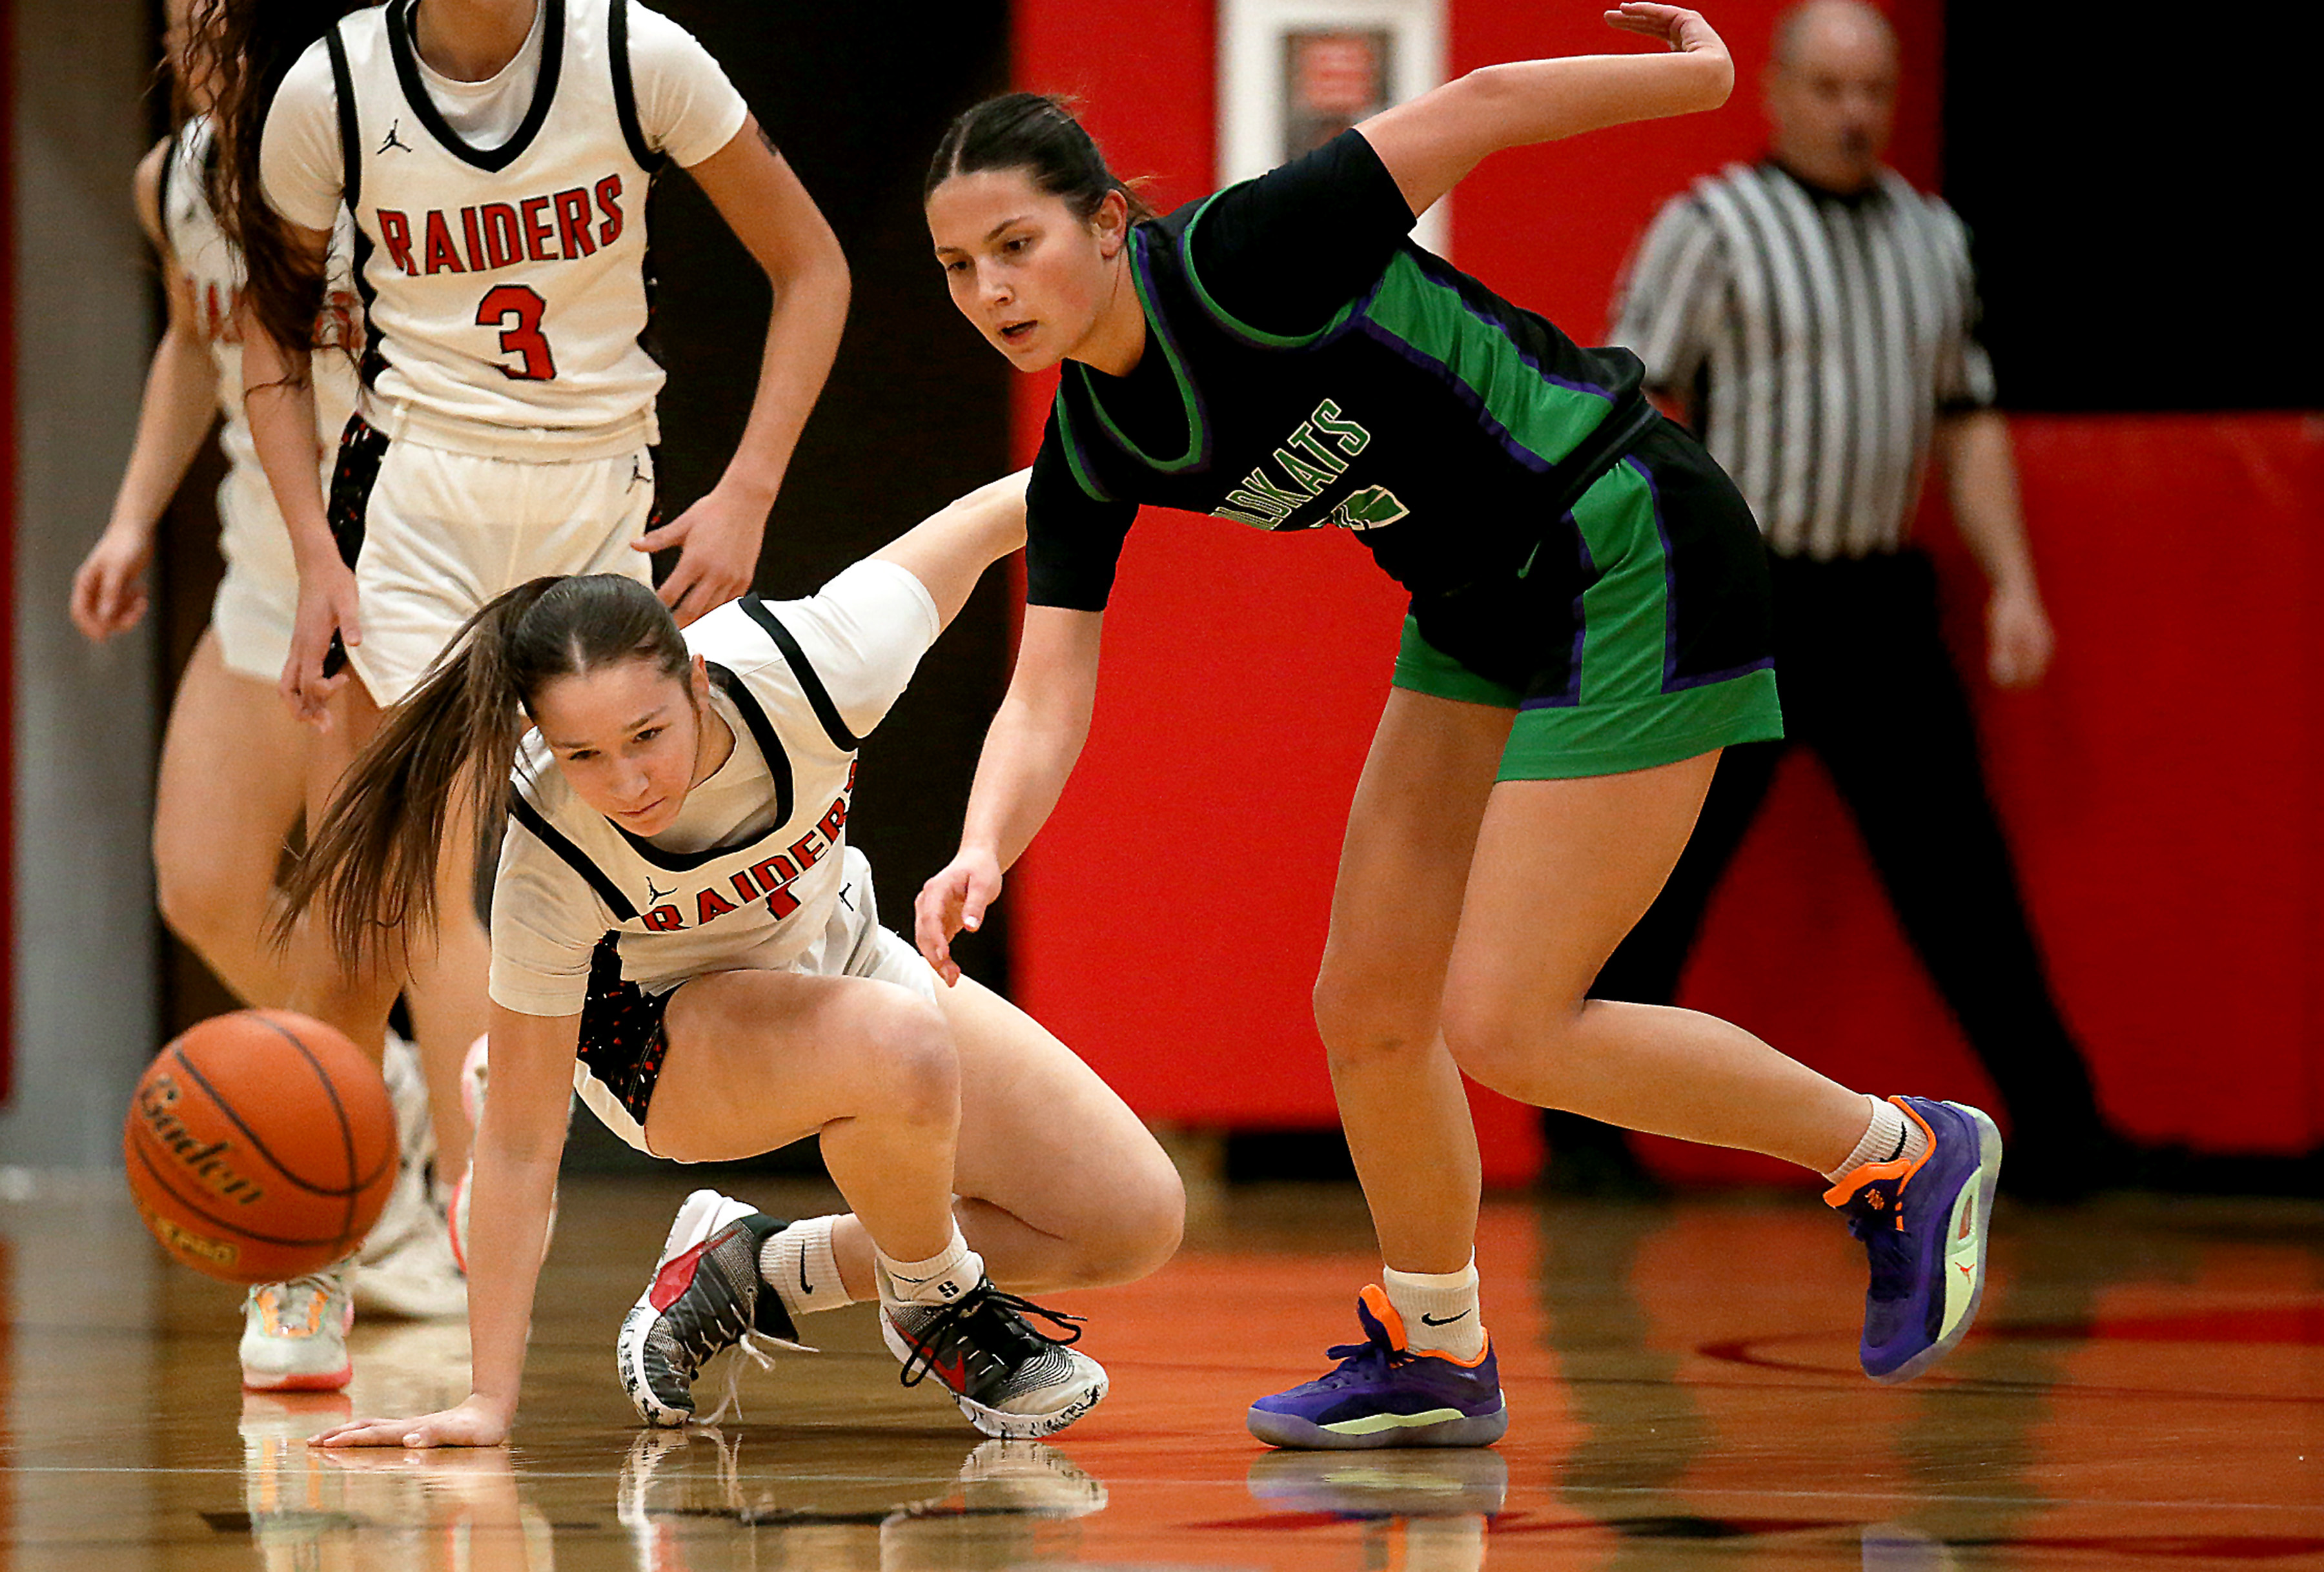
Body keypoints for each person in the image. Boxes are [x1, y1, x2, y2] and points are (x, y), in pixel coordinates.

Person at [916, 2, 2003, 1451]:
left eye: (1016, 245)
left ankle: (1903, 1150)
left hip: (1625, 535)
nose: (992, 286)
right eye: (957, 266)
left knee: (1510, 1021)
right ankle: (1438, 1350)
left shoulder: (1250, 254)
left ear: (1109, 221)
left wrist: (1698, 75)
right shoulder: (1096, 447)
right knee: (1367, 1007)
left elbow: (1481, 101)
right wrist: (987, 844)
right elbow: (1049, 684)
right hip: (1478, 603)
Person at [194, 0, 851, 1387]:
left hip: (595, 495)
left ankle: (797, 1225)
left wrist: (750, 491)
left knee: (596, 893)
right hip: (417, 494)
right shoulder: (338, 86)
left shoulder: (637, 56)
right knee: (372, 883)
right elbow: (267, 328)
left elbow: (815, 265)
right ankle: (311, 1255)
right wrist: (315, 550)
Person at [281, 475, 1183, 1448]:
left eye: (647, 736)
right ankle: (936, 1306)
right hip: (654, 1042)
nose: (626, 781)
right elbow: (515, 1150)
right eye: (583, 756)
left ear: (699, 682)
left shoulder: (815, 661)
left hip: (830, 961)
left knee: (1126, 1218)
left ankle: (751, 1267)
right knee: (898, 1047)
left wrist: (1157, 432)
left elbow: (990, 515)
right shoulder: (548, 850)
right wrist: (486, 1403)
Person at [1576, 0, 2117, 1203]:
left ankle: (2068, 1129)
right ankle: (1584, 1126)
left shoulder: (1933, 235)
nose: (1854, 112)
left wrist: (2015, 585)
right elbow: (1631, 411)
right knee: (1663, 866)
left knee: (1960, 873)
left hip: (1880, 599)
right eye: (1828, 87)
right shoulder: (1711, 226)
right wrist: (1647, 584)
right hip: (1748, 600)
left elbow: (1966, 420)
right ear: (1774, 90)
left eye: (1872, 89)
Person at [68, 0, 478, 1378]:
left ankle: (461, 1227)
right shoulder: (176, 176)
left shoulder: (391, 136)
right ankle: (377, 1105)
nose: (196, 18)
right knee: (201, 878)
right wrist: (134, 517)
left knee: (420, 918)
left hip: (404, 566)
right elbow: (200, 343)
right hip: (268, 571)